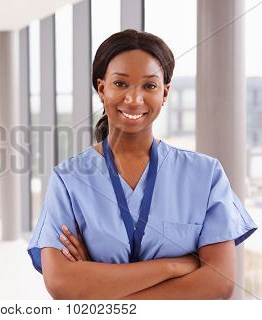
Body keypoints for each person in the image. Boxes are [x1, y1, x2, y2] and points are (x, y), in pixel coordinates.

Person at [27, 29, 257, 300]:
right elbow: (62, 284)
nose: (134, 99)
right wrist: (175, 265)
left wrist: (99, 288)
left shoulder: (205, 175)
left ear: (165, 93)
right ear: (102, 89)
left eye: (149, 86)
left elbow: (219, 283)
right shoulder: (69, 180)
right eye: (121, 84)